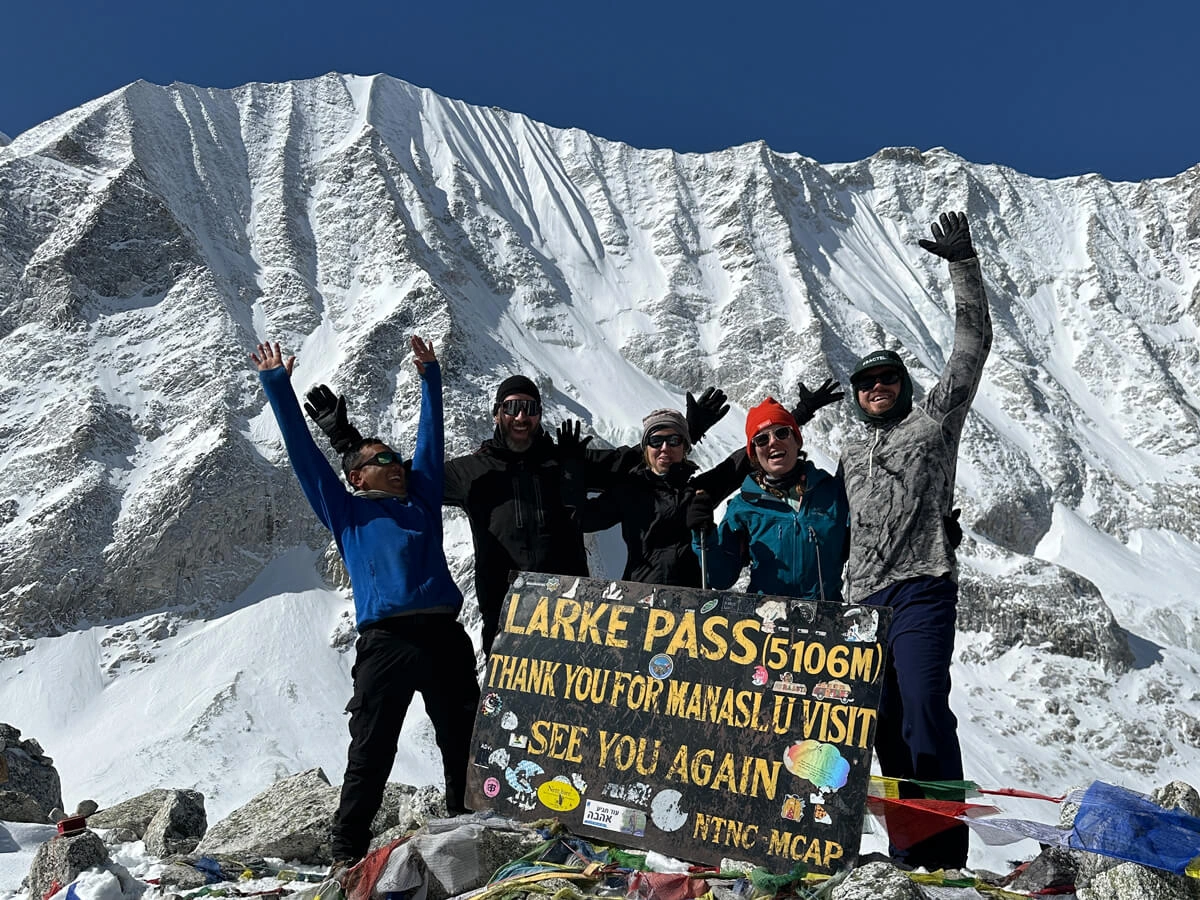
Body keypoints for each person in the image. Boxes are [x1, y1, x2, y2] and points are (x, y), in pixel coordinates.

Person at [251, 336, 479, 870]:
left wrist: (431, 379)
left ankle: (465, 829)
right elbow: (305, 457)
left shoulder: (420, 503)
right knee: (372, 749)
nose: (397, 464)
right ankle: (347, 852)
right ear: (356, 476)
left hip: (445, 635)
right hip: (387, 643)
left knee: (462, 739)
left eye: (397, 458)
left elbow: (431, 444)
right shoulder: (347, 513)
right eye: (383, 460)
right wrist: (277, 385)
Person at [305, 375, 732, 653]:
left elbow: (637, 461)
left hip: (572, 611)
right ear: (497, 415)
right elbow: (399, 478)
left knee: (573, 712)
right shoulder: (470, 472)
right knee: (509, 719)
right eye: (511, 407)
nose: (521, 416)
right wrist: (346, 439)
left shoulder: (565, 461)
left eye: (529, 407)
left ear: (539, 416)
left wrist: (686, 432)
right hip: (506, 612)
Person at [838, 211, 992, 871]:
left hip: (923, 584)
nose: (877, 387)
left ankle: (948, 855)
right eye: (866, 382)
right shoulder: (847, 452)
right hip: (860, 603)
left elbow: (973, 344)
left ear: (902, 385)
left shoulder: (933, 422)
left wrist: (962, 265)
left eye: (888, 378)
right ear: (857, 395)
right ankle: (909, 854)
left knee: (926, 709)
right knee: (882, 728)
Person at [688, 397, 849, 600]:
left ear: (796, 440)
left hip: (826, 619)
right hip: (766, 622)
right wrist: (704, 536)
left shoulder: (834, 493)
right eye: (762, 439)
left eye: (782, 432)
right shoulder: (743, 506)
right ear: (754, 453)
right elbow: (721, 578)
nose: (773, 442)